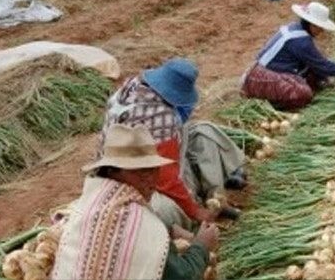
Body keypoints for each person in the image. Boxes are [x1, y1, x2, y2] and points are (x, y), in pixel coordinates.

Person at [52, 124, 219, 280]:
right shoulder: (139, 225)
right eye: (142, 172)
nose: (152, 181)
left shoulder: (87, 204)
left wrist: (169, 230)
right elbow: (183, 276)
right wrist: (202, 245)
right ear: (112, 171)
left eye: (154, 170)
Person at [100, 58, 243, 228]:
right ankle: (199, 208)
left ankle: (216, 198)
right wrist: (195, 211)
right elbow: (165, 178)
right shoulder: (161, 115)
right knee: (165, 210)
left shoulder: (131, 86)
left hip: (120, 165)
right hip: (134, 181)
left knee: (203, 131)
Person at [241, 1, 335, 110]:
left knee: (314, 73)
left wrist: (324, 78)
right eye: (320, 27)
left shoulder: (295, 27)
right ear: (312, 25)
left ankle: (281, 92)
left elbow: (316, 62)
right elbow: (322, 65)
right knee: (304, 94)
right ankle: (273, 105)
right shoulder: (301, 41)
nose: (322, 31)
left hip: (272, 69)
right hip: (259, 77)